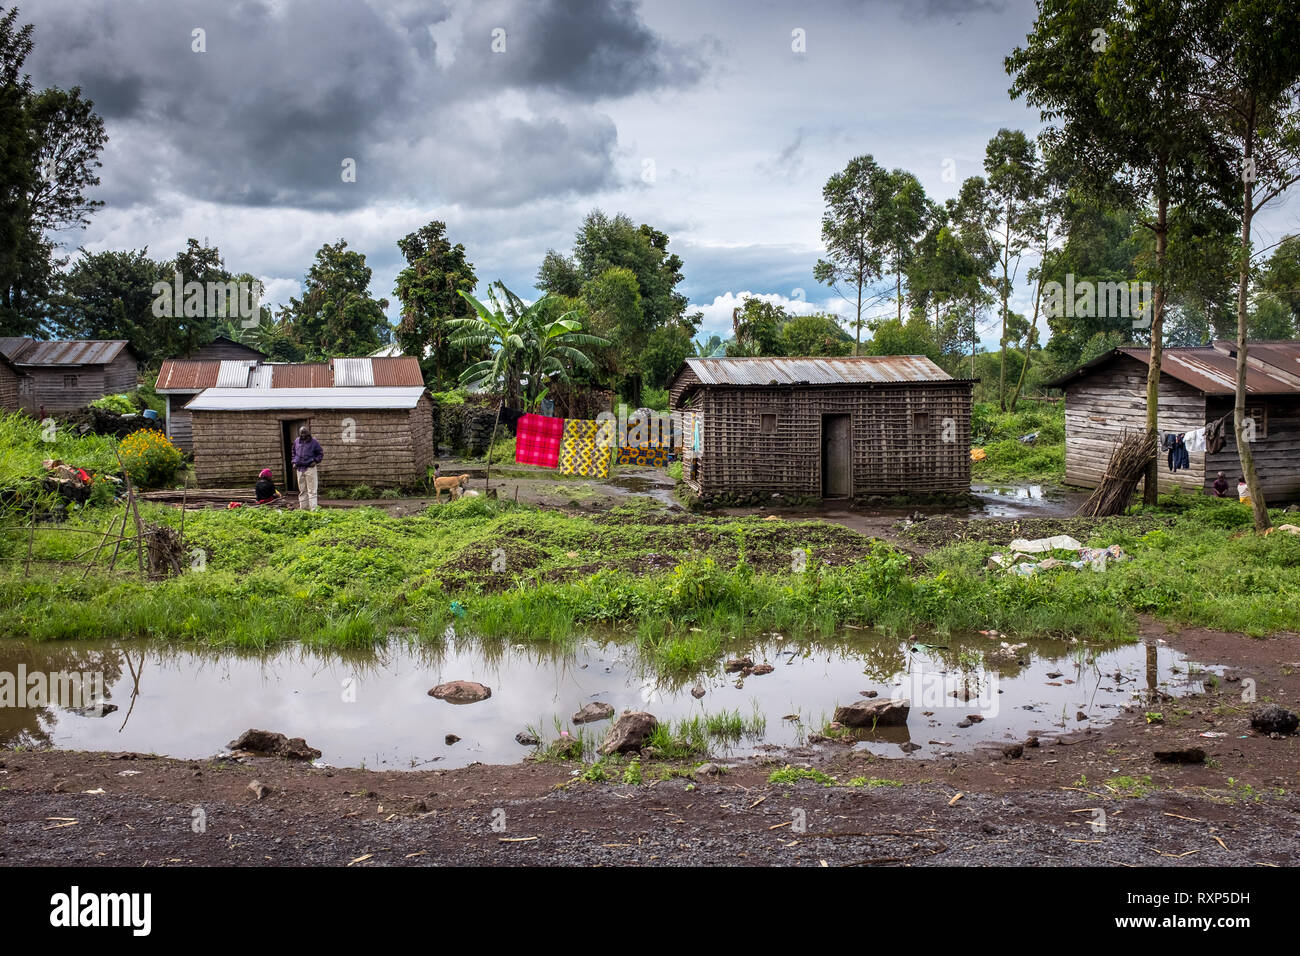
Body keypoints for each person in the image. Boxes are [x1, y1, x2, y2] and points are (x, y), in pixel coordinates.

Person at [292, 425, 324, 511]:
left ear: (308, 432)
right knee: (302, 490)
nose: (303, 434)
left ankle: (313, 509)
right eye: (301, 433)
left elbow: (320, 453)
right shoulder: (297, 441)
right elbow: (294, 452)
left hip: (310, 468)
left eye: (304, 432)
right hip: (299, 469)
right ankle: (304, 508)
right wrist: (294, 461)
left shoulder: (314, 442)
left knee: (312, 490)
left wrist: (315, 461)